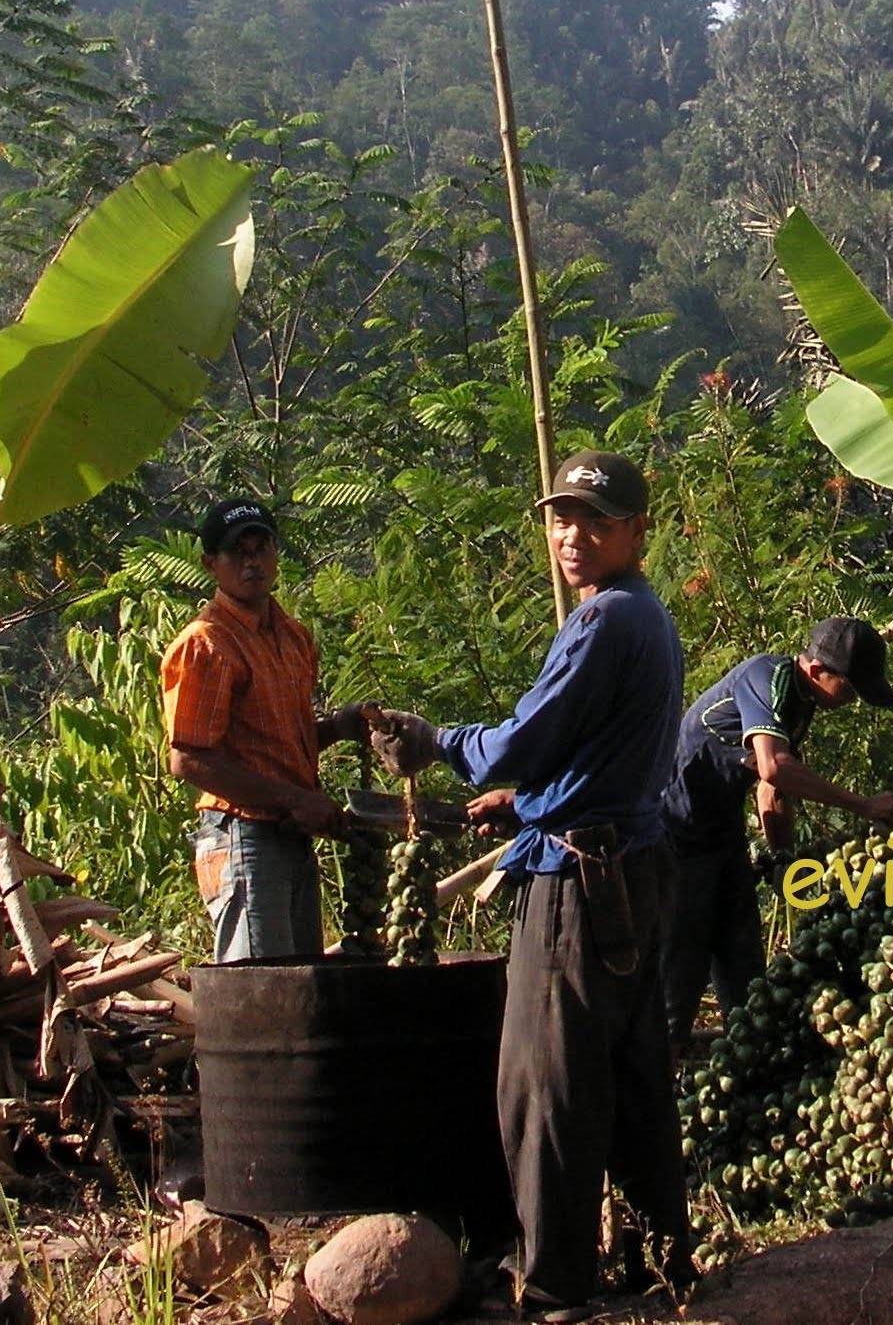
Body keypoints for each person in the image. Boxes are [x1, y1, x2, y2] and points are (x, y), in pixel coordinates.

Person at [367, 450, 692, 1322]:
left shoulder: (603, 623)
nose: (572, 536)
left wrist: (440, 741)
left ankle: (550, 1283)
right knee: (631, 1072)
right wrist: (529, 801)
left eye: (595, 521)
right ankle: (665, 1255)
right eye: (560, 518)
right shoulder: (647, 618)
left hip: (581, 880)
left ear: (634, 532)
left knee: (543, 1084)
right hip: (632, 859)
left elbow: (523, 739)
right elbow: (596, 755)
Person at [659, 617, 893, 1055]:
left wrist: (783, 856)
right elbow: (775, 767)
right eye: (848, 690)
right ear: (815, 671)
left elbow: (769, 789)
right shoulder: (766, 676)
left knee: (745, 970)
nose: (850, 702)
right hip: (678, 835)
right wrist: (863, 806)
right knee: (682, 964)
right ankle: (661, 1080)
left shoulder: (801, 702)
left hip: (721, 835)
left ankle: (747, 1064)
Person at [161, 497, 366, 964]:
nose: (252, 562)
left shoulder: (291, 636)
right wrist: (296, 799)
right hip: (242, 835)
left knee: (299, 990)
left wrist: (338, 727)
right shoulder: (206, 644)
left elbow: (275, 743)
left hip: (290, 833)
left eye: (261, 548)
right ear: (211, 564)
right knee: (263, 993)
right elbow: (189, 759)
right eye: (238, 553)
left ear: (275, 554)